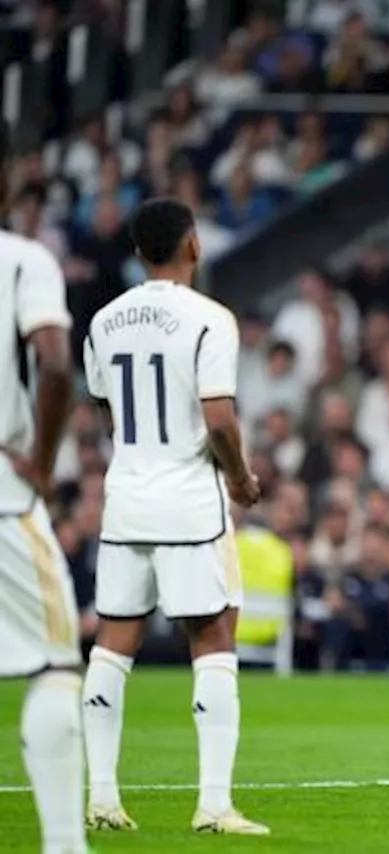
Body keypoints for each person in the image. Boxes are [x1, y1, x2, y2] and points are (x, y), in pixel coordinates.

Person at [79, 198, 269, 835]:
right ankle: (214, 805)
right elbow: (218, 417)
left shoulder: (103, 322)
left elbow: (107, 411)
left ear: (138, 253)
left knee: (113, 643)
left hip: (127, 495)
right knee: (212, 641)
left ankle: (102, 798)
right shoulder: (210, 319)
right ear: (194, 245)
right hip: (189, 499)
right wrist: (240, 478)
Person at [0, 126, 89, 854]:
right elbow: (56, 364)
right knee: (59, 662)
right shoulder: (23, 260)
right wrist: (41, 458)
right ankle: (65, 846)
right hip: (3, 492)